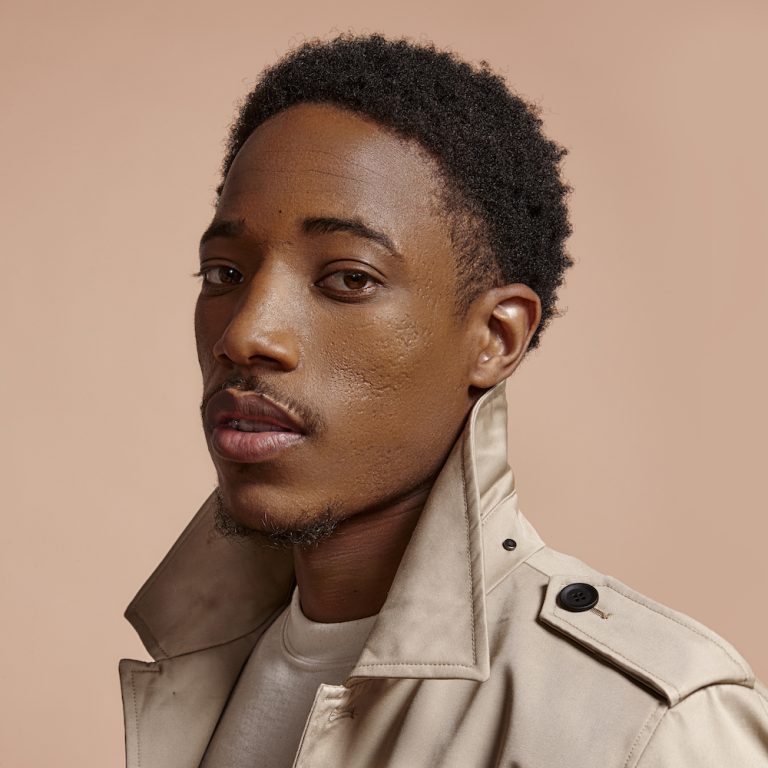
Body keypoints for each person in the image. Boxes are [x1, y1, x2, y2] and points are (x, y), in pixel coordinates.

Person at [118, 33, 768, 768]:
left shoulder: (644, 727)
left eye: (348, 279)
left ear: (495, 338)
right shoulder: (204, 665)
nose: (244, 335)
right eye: (224, 273)